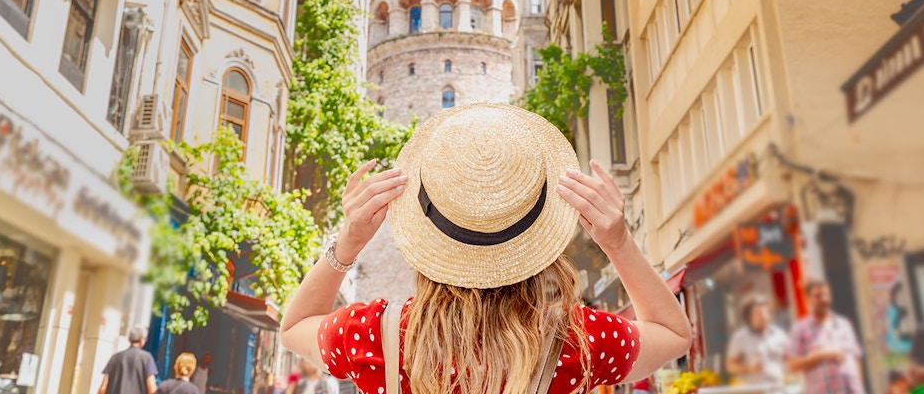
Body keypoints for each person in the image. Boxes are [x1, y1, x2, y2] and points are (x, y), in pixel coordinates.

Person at [279, 103, 692, 394]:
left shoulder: (371, 336)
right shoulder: (577, 342)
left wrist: (348, 244)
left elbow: (294, 327)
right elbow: (674, 335)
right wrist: (617, 243)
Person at [786, 281, 865, 394]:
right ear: (808, 299)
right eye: (818, 296)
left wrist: (859, 388)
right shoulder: (800, 329)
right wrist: (821, 355)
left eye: (826, 295)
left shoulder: (844, 324)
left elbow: (856, 358)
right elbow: (792, 365)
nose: (823, 299)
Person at [726, 295, 789, 393]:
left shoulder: (779, 334)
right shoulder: (740, 337)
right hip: (755, 391)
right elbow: (730, 366)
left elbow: (790, 359)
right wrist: (748, 368)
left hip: (780, 390)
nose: (764, 316)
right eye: (759, 313)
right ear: (750, 316)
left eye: (766, 312)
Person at [98, 327, 159, 394]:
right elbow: (152, 388)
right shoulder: (147, 358)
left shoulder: (115, 358)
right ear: (141, 340)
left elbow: (103, 387)